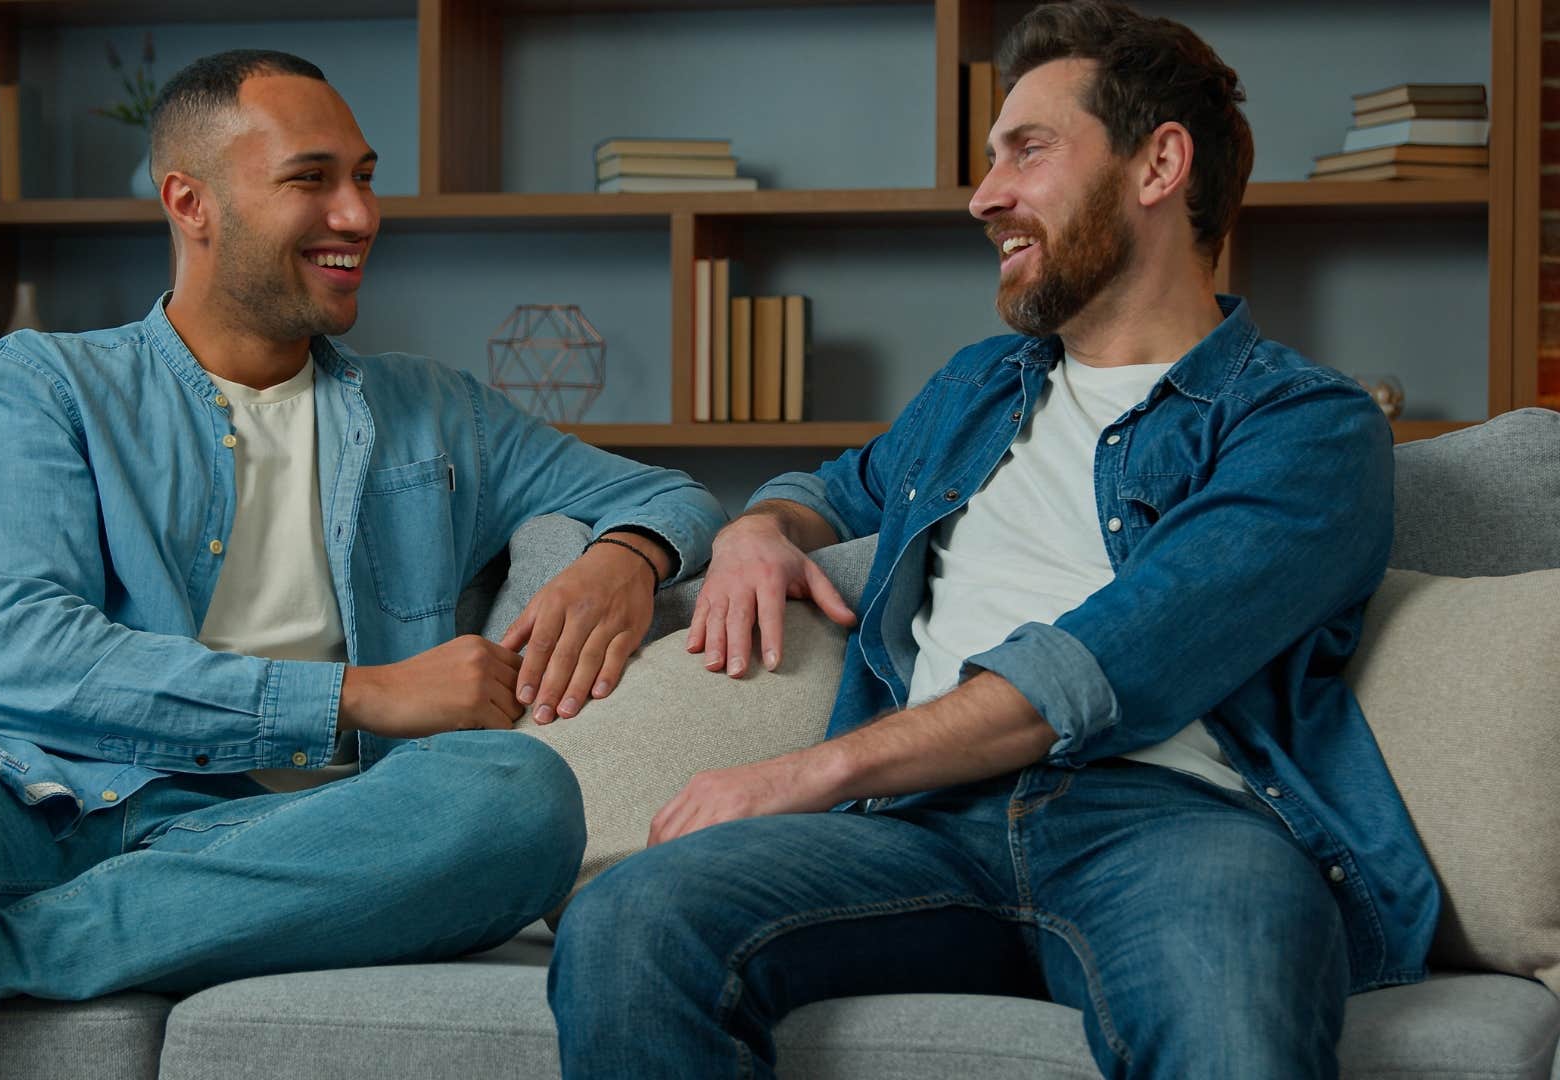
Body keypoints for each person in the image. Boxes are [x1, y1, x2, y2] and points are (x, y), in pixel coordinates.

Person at [0, 50, 724, 1076]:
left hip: (294, 830)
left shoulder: (436, 412)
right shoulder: (41, 385)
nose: (359, 215)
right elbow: (19, 655)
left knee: (517, 798)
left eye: (363, 178)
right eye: (313, 180)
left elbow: (668, 494)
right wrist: (358, 695)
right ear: (190, 202)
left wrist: (625, 556)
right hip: (32, 785)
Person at [547, 4, 1438, 1077]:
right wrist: (759, 530)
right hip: (920, 833)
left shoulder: (1306, 426)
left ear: (1159, 164)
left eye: (1028, 150)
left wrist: (811, 771)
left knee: (1231, 1005)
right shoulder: (977, 386)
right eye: (988, 159)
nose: (985, 196)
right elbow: (832, 487)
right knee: (630, 924)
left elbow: (1110, 660)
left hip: (1168, 829)